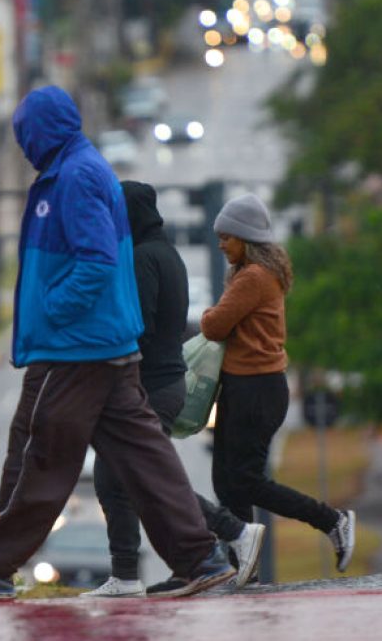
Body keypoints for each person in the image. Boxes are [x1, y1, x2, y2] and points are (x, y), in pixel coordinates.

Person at [0, 86, 235, 600]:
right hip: (97, 345)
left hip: (82, 347)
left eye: (25, 133)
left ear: (42, 129)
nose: (23, 145)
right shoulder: (69, 171)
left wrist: (54, 308)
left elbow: (95, 261)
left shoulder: (77, 176)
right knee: (143, 457)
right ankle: (200, 557)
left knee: (46, 453)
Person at [83, 181, 264, 598]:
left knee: (149, 478)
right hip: (163, 383)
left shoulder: (144, 258)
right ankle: (127, 573)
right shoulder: (167, 254)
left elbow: (136, 326)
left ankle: (232, 530)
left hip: (147, 386)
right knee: (115, 480)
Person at [200, 193, 356, 573]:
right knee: (227, 483)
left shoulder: (252, 277)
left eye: (227, 237)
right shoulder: (253, 273)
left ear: (246, 238)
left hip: (255, 389)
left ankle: (332, 520)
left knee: (246, 481)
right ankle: (243, 562)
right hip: (248, 387)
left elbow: (213, 325)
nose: (221, 244)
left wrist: (208, 313)